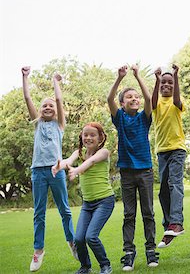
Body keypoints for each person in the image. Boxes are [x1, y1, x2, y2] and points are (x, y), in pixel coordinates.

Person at [22, 67, 77, 272]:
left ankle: (72, 242)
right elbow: (28, 98)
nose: (47, 107)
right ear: (40, 109)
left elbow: (60, 101)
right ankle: (38, 251)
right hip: (38, 172)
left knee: (65, 209)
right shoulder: (37, 124)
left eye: (50, 105)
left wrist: (55, 81)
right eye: (44, 105)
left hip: (56, 171)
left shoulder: (59, 125)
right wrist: (25, 77)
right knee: (39, 213)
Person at [107, 64, 159, 270]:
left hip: (145, 171)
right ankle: (128, 253)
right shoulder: (119, 118)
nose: (134, 99)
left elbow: (149, 100)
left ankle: (150, 250)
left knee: (148, 212)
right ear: (122, 103)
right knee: (129, 214)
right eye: (129, 97)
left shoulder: (143, 118)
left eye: (135, 97)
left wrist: (138, 76)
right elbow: (109, 99)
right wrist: (119, 79)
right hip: (127, 173)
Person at [52, 123, 114, 274]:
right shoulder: (79, 153)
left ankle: (105, 265)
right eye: (85, 135)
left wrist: (77, 171)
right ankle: (85, 267)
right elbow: (68, 161)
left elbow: (91, 162)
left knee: (91, 237)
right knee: (79, 238)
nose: (88, 138)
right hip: (88, 204)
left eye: (92, 135)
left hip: (104, 201)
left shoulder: (104, 152)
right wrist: (60, 166)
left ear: (100, 138)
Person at [151, 65, 187, 248]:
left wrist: (176, 77)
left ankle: (177, 222)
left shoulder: (176, 103)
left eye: (169, 83)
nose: (166, 85)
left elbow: (177, 99)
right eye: (163, 82)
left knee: (174, 183)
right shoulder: (156, 105)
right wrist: (157, 81)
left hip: (177, 149)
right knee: (163, 190)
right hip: (162, 151)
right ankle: (170, 228)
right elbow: (152, 101)